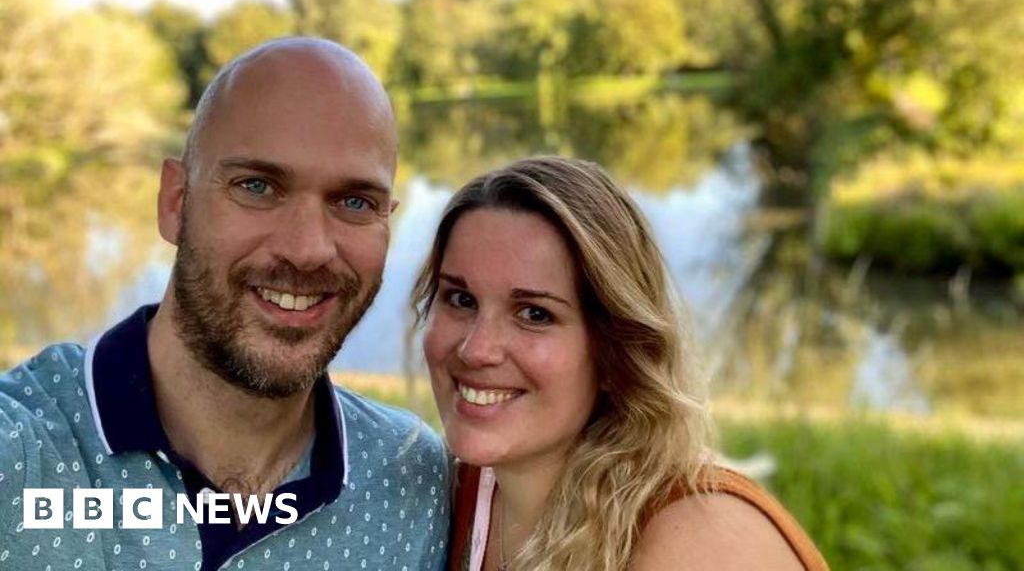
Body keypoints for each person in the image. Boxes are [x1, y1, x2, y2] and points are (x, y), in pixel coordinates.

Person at [0, 38, 449, 570]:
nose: (307, 250)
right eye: (257, 186)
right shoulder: (23, 455)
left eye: (355, 202)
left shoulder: (412, 482)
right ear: (176, 202)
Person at [412, 156, 829, 570]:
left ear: (616, 349)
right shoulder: (448, 494)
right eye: (461, 300)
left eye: (535, 314)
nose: (476, 349)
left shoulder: (701, 541)